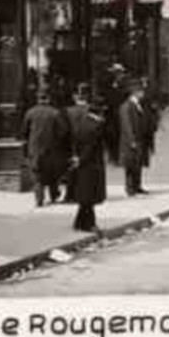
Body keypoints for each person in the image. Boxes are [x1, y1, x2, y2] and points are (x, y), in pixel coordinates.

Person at [65, 89, 108, 233]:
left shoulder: (82, 122)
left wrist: (76, 157)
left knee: (85, 195)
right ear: (100, 111)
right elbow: (90, 148)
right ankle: (90, 224)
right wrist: (81, 159)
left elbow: (75, 141)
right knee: (90, 196)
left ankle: (79, 222)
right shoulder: (97, 126)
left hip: (82, 163)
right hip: (91, 164)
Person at [22, 87, 70, 207]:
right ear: (48, 98)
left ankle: (39, 199)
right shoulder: (55, 113)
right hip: (52, 149)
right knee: (52, 173)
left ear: (37, 99)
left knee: (37, 174)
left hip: (35, 149)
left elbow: (24, 132)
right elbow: (63, 132)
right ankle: (54, 195)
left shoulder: (30, 112)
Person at [118, 78, 154, 196]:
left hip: (140, 139)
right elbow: (127, 125)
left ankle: (137, 186)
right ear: (135, 92)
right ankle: (130, 188)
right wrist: (131, 140)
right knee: (130, 165)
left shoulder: (138, 105)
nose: (143, 94)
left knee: (138, 163)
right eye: (141, 91)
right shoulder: (126, 106)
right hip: (131, 141)